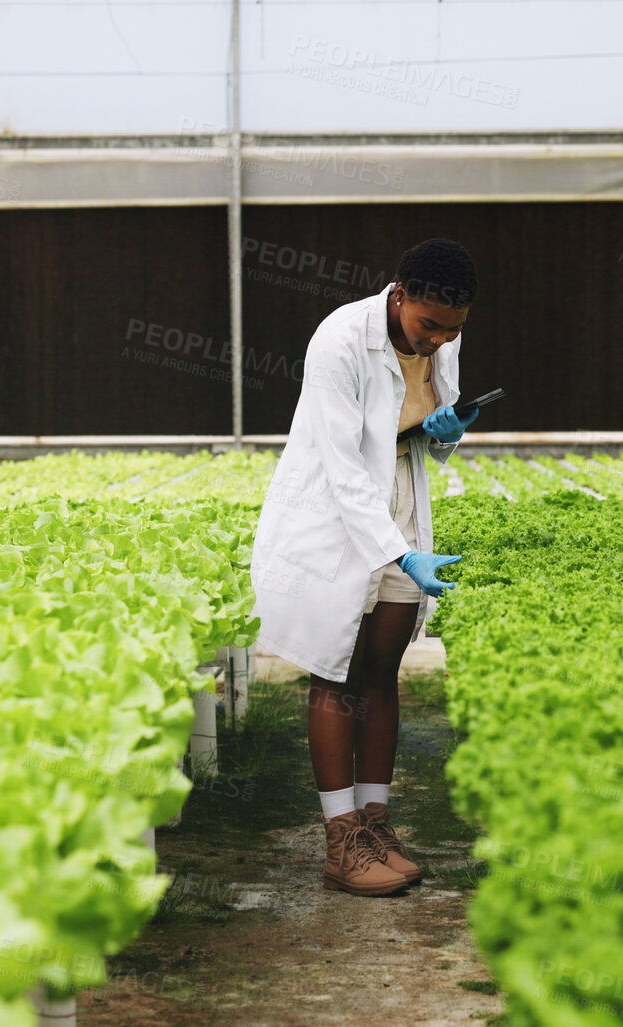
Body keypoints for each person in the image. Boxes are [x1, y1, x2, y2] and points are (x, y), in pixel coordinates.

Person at [249, 238, 479, 897]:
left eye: (452, 330)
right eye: (428, 325)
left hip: (401, 498)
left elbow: (423, 429)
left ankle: (376, 824)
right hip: (335, 514)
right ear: (399, 295)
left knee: (382, 671)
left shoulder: (441, 336)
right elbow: (344, 465)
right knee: (337, 672)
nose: (438, 339)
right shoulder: (339, 340)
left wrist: (447, 430)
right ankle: (341, 840)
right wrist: (399, 552)